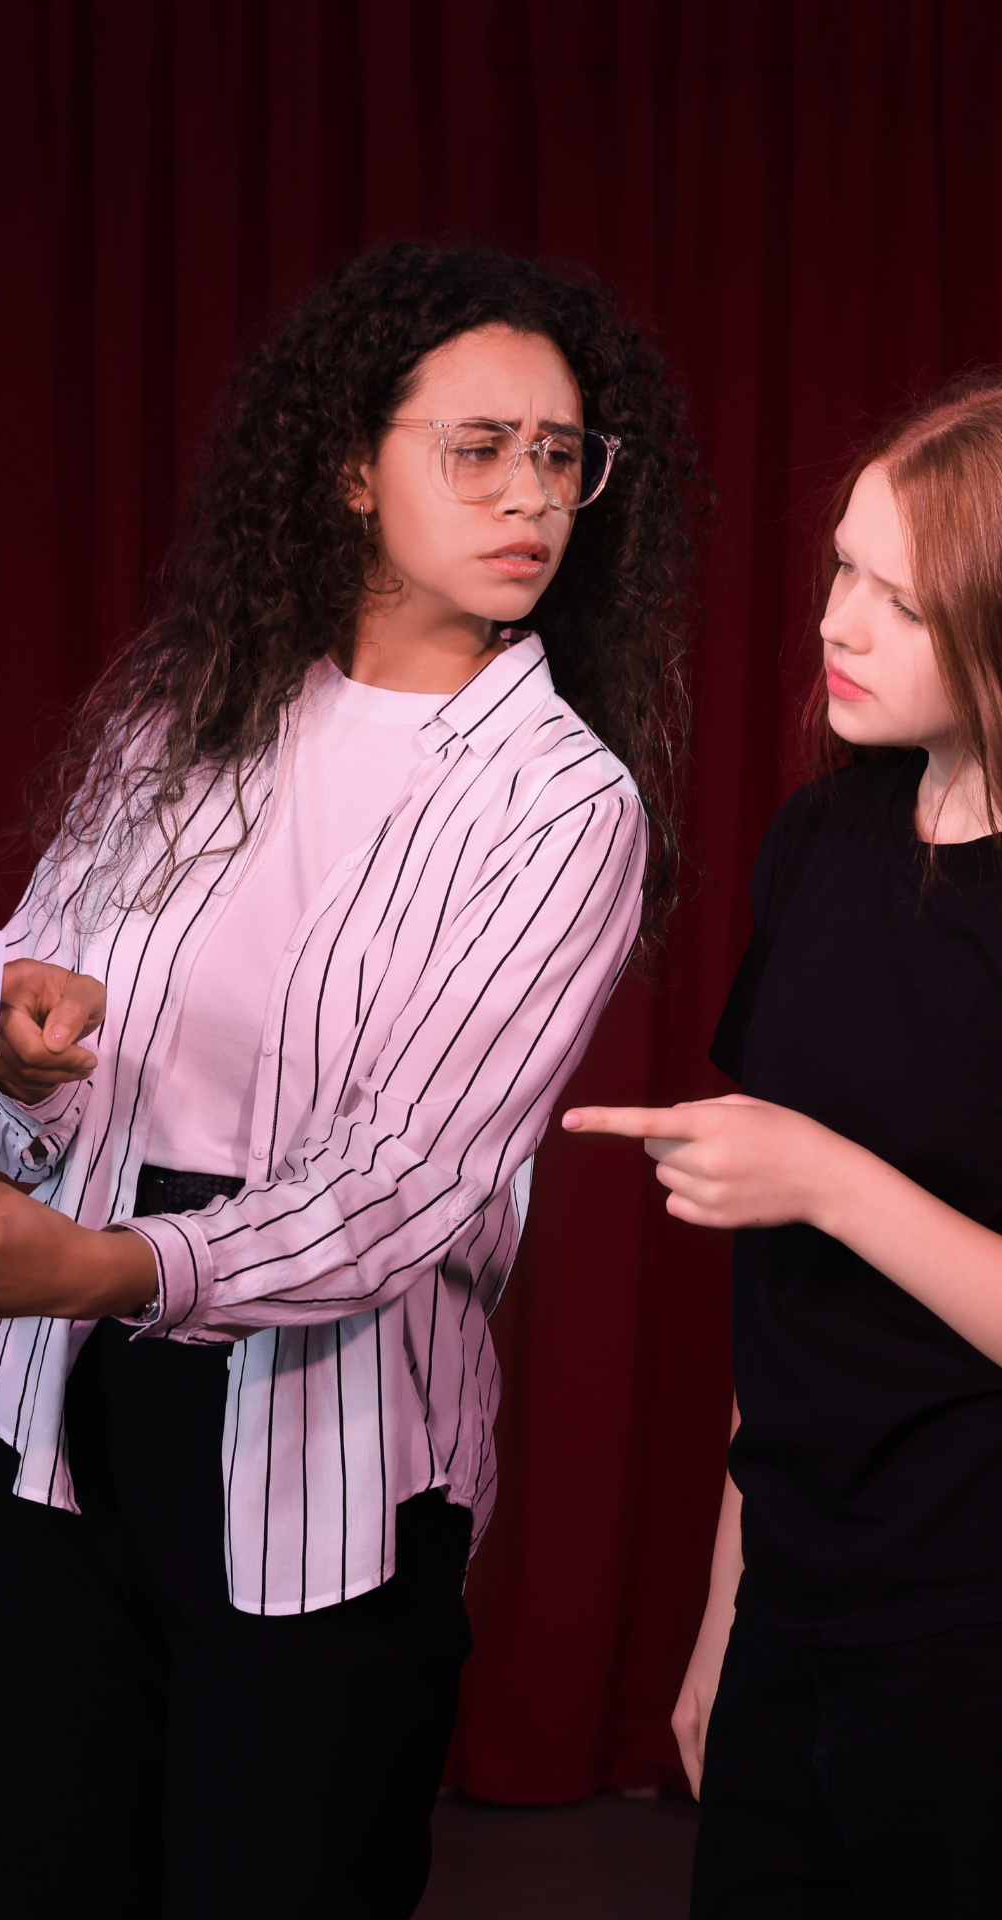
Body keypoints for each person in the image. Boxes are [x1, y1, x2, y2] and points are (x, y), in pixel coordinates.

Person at [0, 242, 697, 1920]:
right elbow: (33, 1072)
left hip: (322, 1455)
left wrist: (120, 1269)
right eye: (477, 446)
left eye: (563, 454)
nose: (532, 496)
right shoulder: (188, 700)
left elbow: (405, 1185)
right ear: (350, 465)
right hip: (42, 1417)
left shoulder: (563, 807)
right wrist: (11, 1045)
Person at [564, 379, 1002, 1917]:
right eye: (840, 571)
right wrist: (725, 1608)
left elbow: (814, 1194)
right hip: (799, 1605)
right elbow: (789, 1293)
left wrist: (822, 1174)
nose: (841, 624)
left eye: (905, 601)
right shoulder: (824, 840)